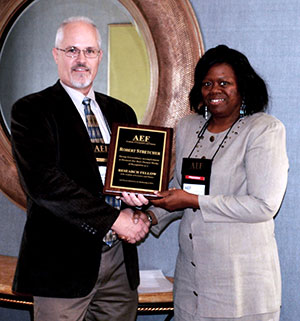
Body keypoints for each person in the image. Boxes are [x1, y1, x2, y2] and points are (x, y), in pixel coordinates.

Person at [125, 44, 289, 321]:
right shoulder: (189, 128)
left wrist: (192, 201)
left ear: (243, 88)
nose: (215, 90)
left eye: (225, 83)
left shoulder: (264, 130)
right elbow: (179, 188)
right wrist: (148, 216)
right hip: (191, 283)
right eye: (207, 83)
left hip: (240, 285)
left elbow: (263, 206)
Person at [10, 16, 150, 321]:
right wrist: (115, 219)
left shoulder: (121, 112)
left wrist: (139, 203)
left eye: (89, 51)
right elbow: (44, 183)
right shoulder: (31, 110)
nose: (81, 60)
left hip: (118, 264)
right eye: (72, 50)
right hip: (61, 263)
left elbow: (129, 176)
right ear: (56, 54)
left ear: (100, 56)